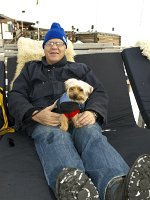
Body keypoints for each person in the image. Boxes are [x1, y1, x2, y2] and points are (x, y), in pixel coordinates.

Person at [8, 22, 150, 200]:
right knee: (56, 137)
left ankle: (117, 189)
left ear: (65, 48)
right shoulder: (31, 69)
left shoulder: (80, 69)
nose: (54, 47)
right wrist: (35, 114)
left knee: (91, 135)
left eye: (59, 43)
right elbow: (15, 95)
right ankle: (74, 191)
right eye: (49, 43)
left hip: (80, 116)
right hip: (47, 120)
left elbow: (99, 91)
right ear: (43, 48)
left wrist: (92, 112)